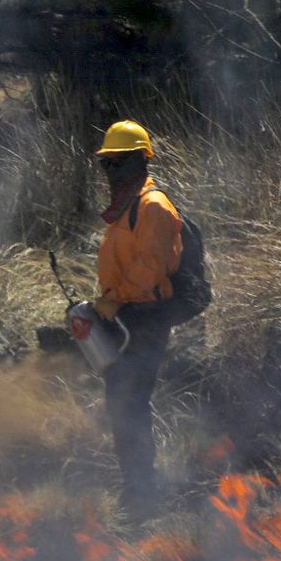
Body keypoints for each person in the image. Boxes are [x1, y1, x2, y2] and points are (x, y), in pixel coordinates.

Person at [90, 119, 182, 516]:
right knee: (121, 403)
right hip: (125, 314)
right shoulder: (126, 206)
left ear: (142, 160)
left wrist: (116, 300)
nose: (112, 170)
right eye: (107, 163)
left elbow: (149, 268)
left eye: (120, 161)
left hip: (145, 317)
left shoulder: (153, 206)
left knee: (130, 403)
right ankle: (137, 486)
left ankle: (143, 494)